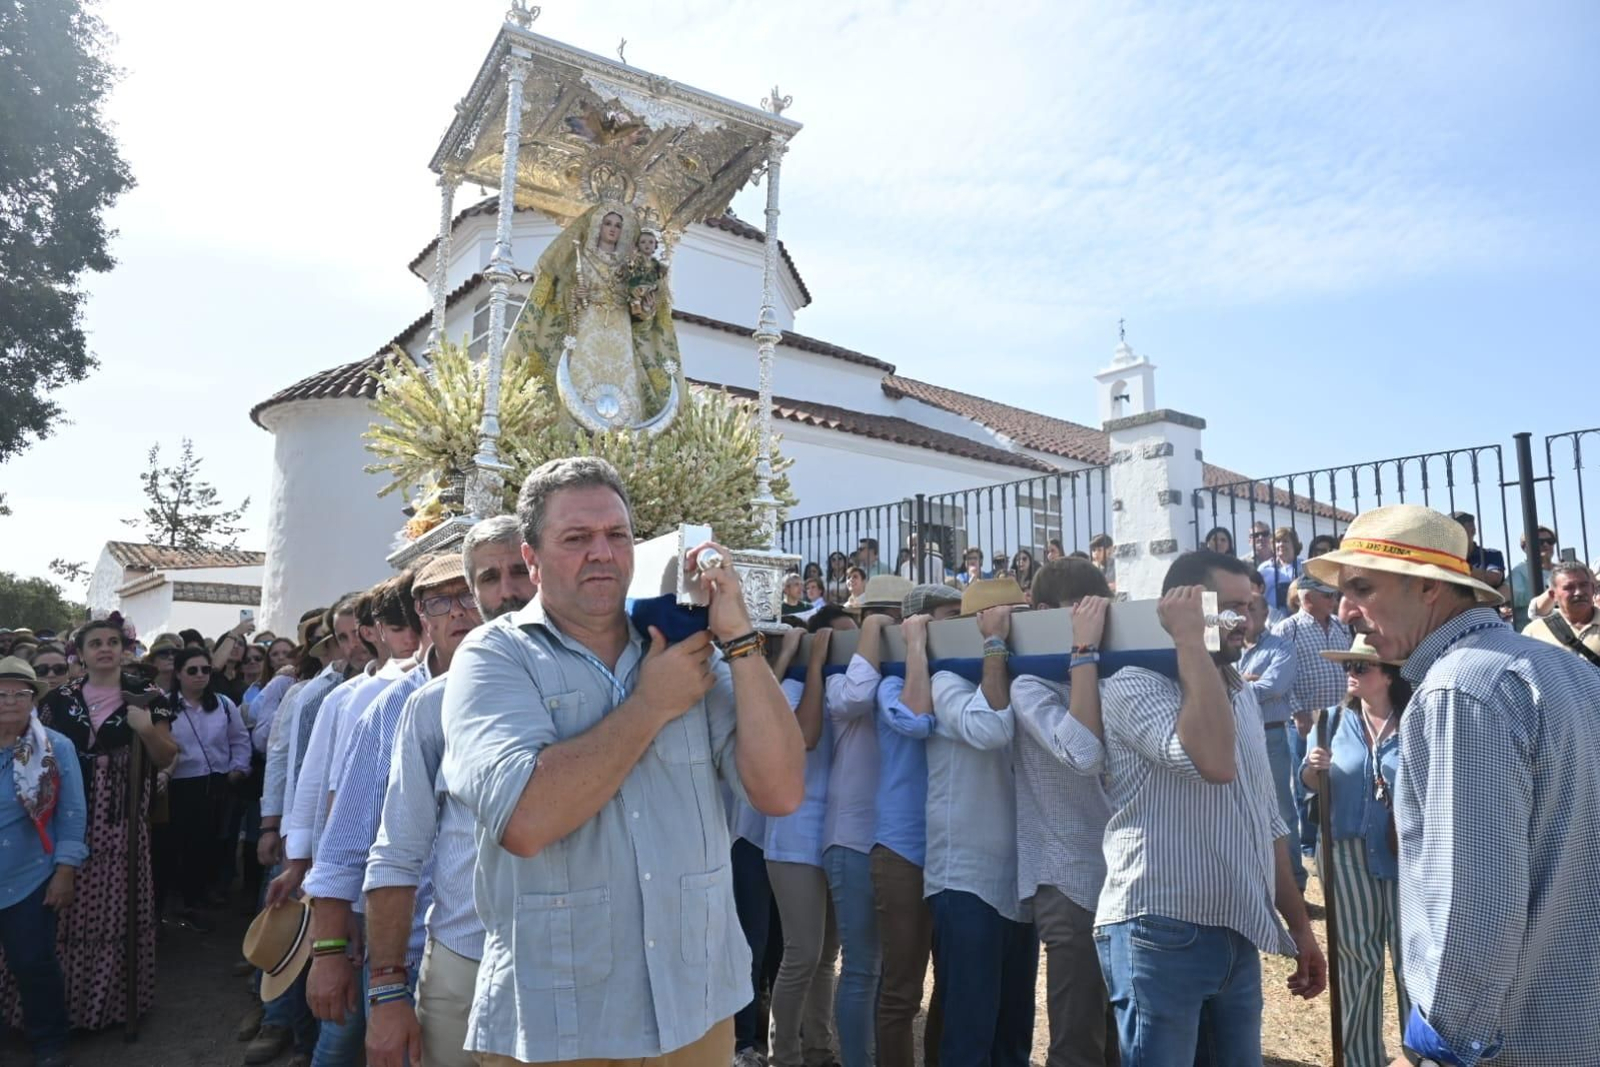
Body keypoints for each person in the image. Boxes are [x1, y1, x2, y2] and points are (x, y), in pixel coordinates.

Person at [440, 457, 805, 1065]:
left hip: (696, 1009)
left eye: (616, 534)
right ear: (532, 559)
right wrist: (651, 706)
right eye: (576, 538)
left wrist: (739, 639)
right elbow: (524, 820)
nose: (602, 553)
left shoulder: (685, 650)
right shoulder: (494, 657)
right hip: (561, 1023)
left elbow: (781, 791)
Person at [1308, 503, 1600, 1065]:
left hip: (1516, 1041)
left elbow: (1473, 905)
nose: (1345, 611)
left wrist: (1435, 1050)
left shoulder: (1457, 690)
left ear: (1428, 588)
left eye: (1362, 587)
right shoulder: (1566, 669)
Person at [1096, 552, 1326, 1064]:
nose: (1244, 620)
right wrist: (1189, 642)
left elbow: (1265, 818)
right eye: (1229, 607)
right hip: (1157, 930)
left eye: (1249, 606)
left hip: (1234, 930)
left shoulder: (1238, 692)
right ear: (1185, 607)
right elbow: (1215, 763)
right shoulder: (1135, 683)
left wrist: (1300, 927)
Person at [27, 617, 180, 1030]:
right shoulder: (58, 700)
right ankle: (60, 1006)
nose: (106, 649)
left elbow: (166, 755)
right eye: (95, 643)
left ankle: (108, 1005)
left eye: (113, 641)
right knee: (64, 907)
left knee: (114, 911)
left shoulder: (146, 695)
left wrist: (145, 730)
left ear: (123, 648)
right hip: (65, 814)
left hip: (120, 818)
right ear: (80, 653)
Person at [909, 576, 1037, 1067]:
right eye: (1006, 622)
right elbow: (988, 728)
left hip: (1019, 883)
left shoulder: (1025, 680)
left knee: (1012, 1037)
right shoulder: (944, 681)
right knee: (969, 1035)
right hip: (965, 881)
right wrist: (995, 647)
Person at [1012, 559, 1118, 1067]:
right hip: (1067, 877)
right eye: (1079, 614)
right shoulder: (1028, 684)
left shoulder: (1111, 673)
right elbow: (1083, 752)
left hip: (1120, 877)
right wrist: (1083, 652)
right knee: (1077, 1043)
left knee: (1118, 1038)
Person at [1300, 636, 1412, 1067]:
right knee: (1356, 960)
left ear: (1389, 675)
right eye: (1347, 665)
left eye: (1361, 666)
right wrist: (1313, 769)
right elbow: (1307, 784)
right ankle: (1360, 1059)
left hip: (1407, 857)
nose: (1351, 673)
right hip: (1346, 853)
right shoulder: (1330, 720)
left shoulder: (1416, 719)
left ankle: (1419, 1057)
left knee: (1411, 961)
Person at [870, 584, 961, 1067]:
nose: (962, 625)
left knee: (951, 987)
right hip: (902, 850)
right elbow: (915, 720)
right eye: (950, 616)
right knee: (902, 990)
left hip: (949, 849)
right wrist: (916, 648)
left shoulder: (956, 678)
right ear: (917, 624)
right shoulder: (889, 684)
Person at [765, 611, 847, 1067]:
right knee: (802, 953)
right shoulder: (796, 686)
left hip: (832, 833)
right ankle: (785, 1055)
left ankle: (819, 1048)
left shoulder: (844, 687)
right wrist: (813, 664)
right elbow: (806, 736)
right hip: (794, 837)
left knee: (826, 956)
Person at [0, 657, 89, 1067]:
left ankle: (50, 1042)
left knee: (33, 961)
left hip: (31, 874)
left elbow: (72, 813)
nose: (9, 701)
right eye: (1, 694)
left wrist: (65, 871)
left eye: (20, 693)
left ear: (33, 700)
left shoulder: (55, 747)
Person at [822, 601, 892, 1067]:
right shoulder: (835, 682)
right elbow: (856, 696)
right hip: (850, 838)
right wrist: (873, 627)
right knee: (862, 966)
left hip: (883, 839)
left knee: (880, 968)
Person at [164, 646, 251, 931]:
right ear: (178, 673)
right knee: (179, 845)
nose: (200, 675)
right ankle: (182, 903)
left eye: (205, 669)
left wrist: (239, 767)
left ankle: (200, 899)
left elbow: (239, 738)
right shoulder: (164, 705)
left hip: (217, 782)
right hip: (180, 784)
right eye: (192, 670)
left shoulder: (223, 704)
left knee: (212, 843)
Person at [1274, 572, 1351, 860]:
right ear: (1307, 597)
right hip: (1309, 721)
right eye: (1327, 595)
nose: (1334, 600)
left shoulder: (1341, 626)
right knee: (1307, 782)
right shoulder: (1288, 629)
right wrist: (1297, 711)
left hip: (1342, 716)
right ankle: (1310, 844)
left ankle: (1335, 834)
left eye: (1334, 595)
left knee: (1341, 776)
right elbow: (1282, 676)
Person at [1239, 571, 1304, 891]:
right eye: (1240, 608)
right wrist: (1246, 683)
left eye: (1252, 608)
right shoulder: (1229, 650)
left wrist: (1235, 685)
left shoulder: (1282, 647)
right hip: (1236, 736)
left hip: (1271, 735)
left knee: (1280, 810)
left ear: (1266, 613)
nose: (1245, 615)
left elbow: (1274, 687)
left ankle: (1295, 884)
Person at [1519, 560, 1600, 667]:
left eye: (1584, 585)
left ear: (1593, 589)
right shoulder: (1534, 632)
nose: (1579, 592)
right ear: (1553, 595)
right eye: (1569, 588)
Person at [1507, 525, 1556, 629]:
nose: (1546, 544)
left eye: (1550, 541)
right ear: (1524, 547)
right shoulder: (1520, 571)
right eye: (1539, 542)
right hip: (1531, 631)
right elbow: (1502, 598)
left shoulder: (1562, 570)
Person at [1450, 512, 1505, 595]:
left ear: (1473, 530)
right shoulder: (1448, 556)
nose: (1453, 533)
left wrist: (1462, 568)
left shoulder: (1490, 554)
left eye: (1458, 527)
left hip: (1484, 603)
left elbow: (1495, 578)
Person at [1260, 528, 1302, 625]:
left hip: (1298, 620)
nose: (1281, 544)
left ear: (1294, 544)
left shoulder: (1303, 567)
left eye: (1285, 541)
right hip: (1270, 621)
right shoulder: (1264, 569)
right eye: (1278, 541)